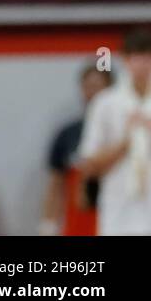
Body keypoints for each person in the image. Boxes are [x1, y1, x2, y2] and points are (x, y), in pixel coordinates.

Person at [77, 26, 151, 235]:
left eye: (148, 56)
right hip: (118, 217)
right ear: (126, 59)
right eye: (136, 56)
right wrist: (126, 141)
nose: (142, 64)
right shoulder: (106, 103)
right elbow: (90, 165)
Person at [42, 63, 112, 236]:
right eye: (87, 87)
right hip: (77, 225)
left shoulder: (120, 133)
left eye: (98, 87)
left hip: (113, 222)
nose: (92, 93)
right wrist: (48, 226)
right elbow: (55, 185)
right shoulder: (68, 134)